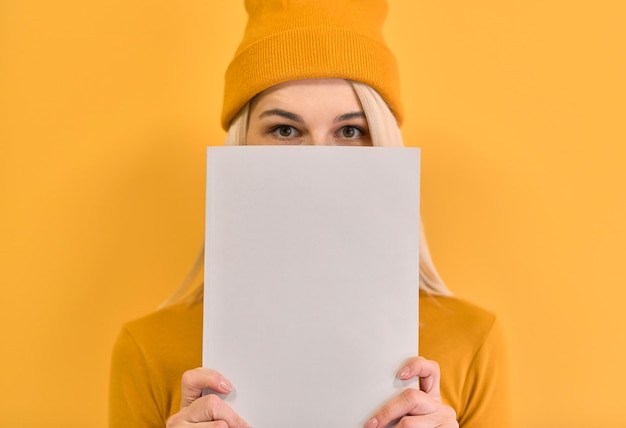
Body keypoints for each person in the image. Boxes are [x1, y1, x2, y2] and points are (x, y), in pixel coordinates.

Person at [109, 1, 511, 427]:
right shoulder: (147, 349)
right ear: (242, 146)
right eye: (285, 130)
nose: (319, 160)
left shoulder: (472, 342)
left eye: (351, 131)